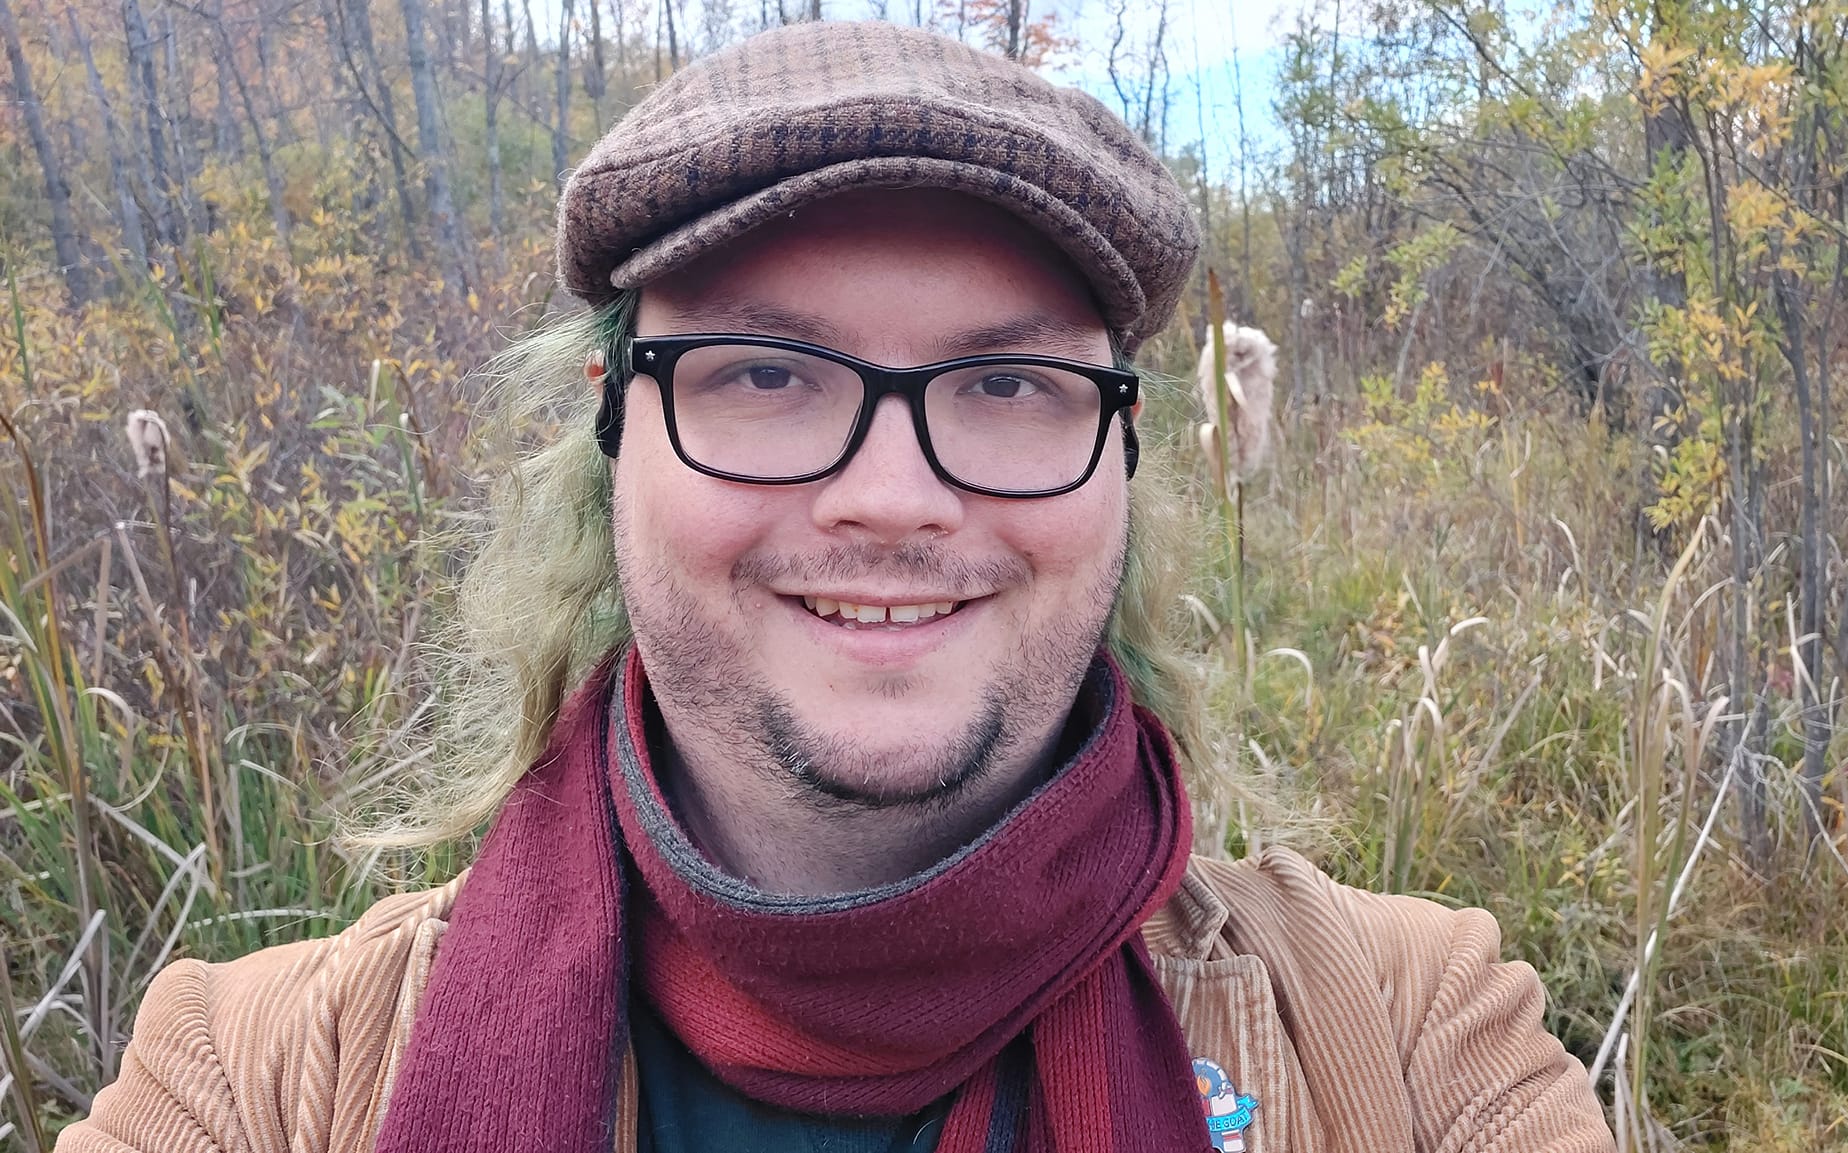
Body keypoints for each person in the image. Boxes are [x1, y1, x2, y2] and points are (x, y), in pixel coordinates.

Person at [57, 20, 1612, 1153]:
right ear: (612, 439)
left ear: (1120, 461)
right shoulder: (257, 1083)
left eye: (1007, 384)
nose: (891, 496)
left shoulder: (1409, 1042)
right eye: (762, 373)